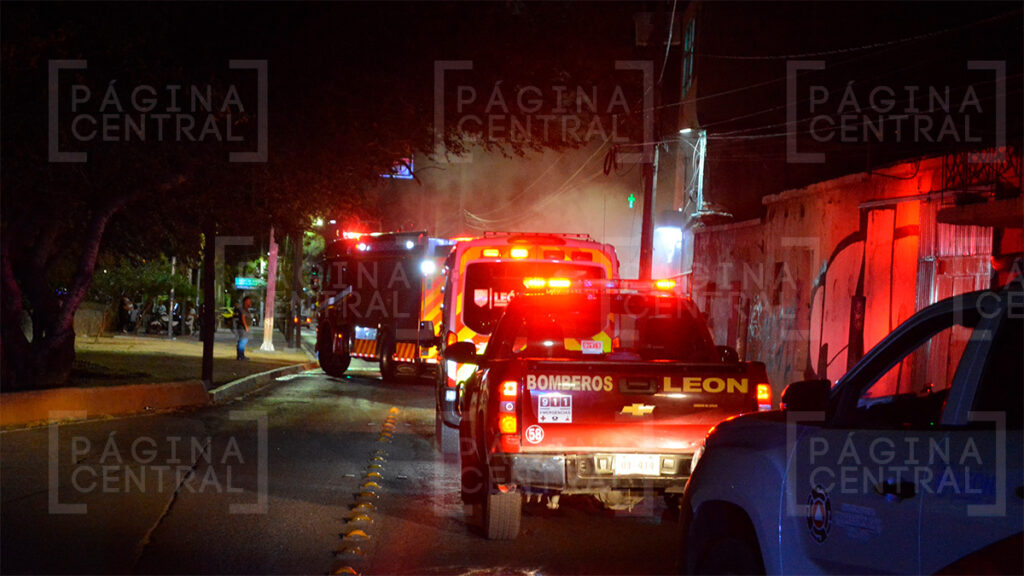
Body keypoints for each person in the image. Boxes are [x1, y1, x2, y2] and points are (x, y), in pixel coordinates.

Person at [235, 295, 253, 360]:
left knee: (242, 341)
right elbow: (243, 318)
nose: (250, 303)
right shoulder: (243, 309)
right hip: (243, 328)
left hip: (244, 328)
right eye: (248, 301)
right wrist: (246, 326)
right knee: (242, 341)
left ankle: (241, 355)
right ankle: (240, 356)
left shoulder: (246, 309)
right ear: (245, 302)